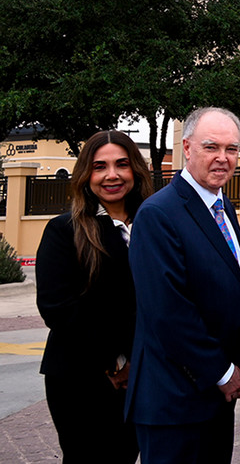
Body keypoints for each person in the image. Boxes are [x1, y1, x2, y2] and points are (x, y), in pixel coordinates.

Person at [127, 107, 240, 464]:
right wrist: (224, 372)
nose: (223, 158)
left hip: (215, 399)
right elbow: (168, 312)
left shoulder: (223, 207)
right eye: (211, 147)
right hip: (175, 402)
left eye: (231, 149)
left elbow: (236, 288)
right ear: (187, 147)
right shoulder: (158, 214)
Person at [36, 130, 153, 464]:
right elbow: (58, 309)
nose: (112, 175)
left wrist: (138, 361)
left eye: (122, 165)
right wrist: (116, 362)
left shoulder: (154, 225)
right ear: (86, 174)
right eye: (100, 166)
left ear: (136, 171)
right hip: (82, 379)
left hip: (144, 375)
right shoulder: (64, 231)